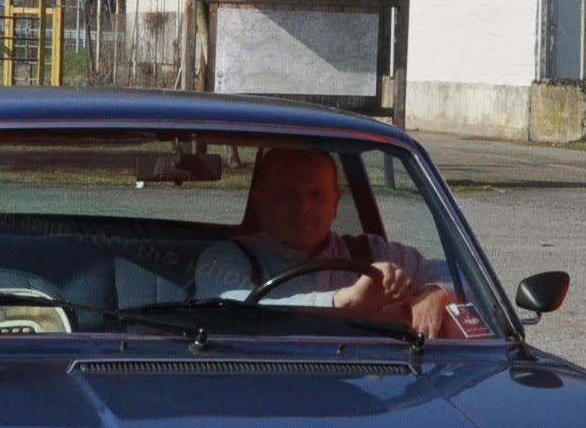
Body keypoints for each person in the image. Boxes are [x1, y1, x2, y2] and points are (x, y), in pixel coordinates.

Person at [194, 144, 461, 337]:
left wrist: (436, 293)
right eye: (287, 195)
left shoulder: (372, 252)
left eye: (317, 195)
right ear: (260, 202)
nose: (303, 207)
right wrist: (342, 303)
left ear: (335, 203)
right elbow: (230, 310)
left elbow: (470, 281)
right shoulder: (225, 257)